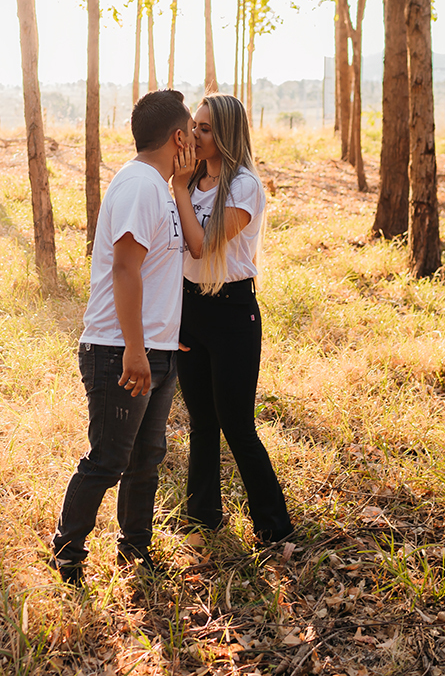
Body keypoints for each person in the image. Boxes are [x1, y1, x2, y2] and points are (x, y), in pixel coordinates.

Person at [50, 89, 194, 585]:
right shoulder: (138, 185)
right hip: (120, 350)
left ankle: (135, 549)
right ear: (178, 137)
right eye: (192, 131)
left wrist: (162, 341)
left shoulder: (161, 187)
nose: (196, 140)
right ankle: (67, 551)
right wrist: (135, 347)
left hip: (153, 350)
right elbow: (126, 271)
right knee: (109, 459)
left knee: (146, 459)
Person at [171, 93, 294, 548]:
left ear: (225, 134)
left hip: (232, 312)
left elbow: (202, 244)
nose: (195, 136)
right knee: (202, 420)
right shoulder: (190, 180)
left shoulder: (244, 187)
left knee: (237, 423)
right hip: (190, 307)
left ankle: (273, 526)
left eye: (205, 129)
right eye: (194, 127)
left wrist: (179, 190)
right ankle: (203, 518)